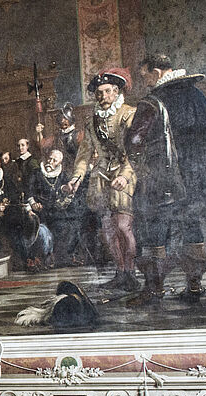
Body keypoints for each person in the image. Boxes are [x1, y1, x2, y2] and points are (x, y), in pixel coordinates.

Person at [126, 53, 206, 305]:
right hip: (197, 182)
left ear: (157, 72)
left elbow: (134, 141)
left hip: (162, 182)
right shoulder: (197, 96)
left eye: (146, 77)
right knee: (192, 229)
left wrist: (141, 168)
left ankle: (154, 288)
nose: (146, 83)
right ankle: (194, 285)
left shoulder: (152, 103)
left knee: (153, 231)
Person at [68, 68, 139, 292]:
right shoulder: (92, 123)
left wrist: (125, 177)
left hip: (125, 173)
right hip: (101, 177)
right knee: (108, 230)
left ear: (116, 92)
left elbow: (136, 152)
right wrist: (76, 179)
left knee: (123, 226)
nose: (103, 97)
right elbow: (84, 155)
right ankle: (120, 273)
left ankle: (132, 272)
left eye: (107, 92)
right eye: (99, 93)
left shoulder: (129, 114)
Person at [26, 149, 87, 266]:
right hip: (41, 210)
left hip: (56, 210)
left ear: (59, 163)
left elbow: (63, 188)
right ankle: (47, 257)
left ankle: (68, 255)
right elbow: (28, 192)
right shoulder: (37, 173)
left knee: (73, 224)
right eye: (50, 158)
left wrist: (66, 189)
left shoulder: (62, 174)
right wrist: (33, 204)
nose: (50, 161)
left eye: (55, 160)